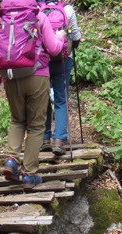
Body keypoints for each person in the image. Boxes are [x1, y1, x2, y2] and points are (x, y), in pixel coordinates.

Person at [0, 5, 68, 190]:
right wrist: (60, 38)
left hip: (10, 77)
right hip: (37, 74)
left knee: (17, 120)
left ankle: (12, 160)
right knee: (36, 125)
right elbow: (53, 49)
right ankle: (29, 175)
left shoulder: (2, 19)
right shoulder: (38, 16)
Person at [41, 0, 83, 156]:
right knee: (61, 99)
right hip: (63, 60)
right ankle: (59, 140)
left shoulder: (38, 10)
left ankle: (44, 138)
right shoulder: (67, 10)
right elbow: (76, 36)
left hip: (42, 61)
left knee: (43, 98)